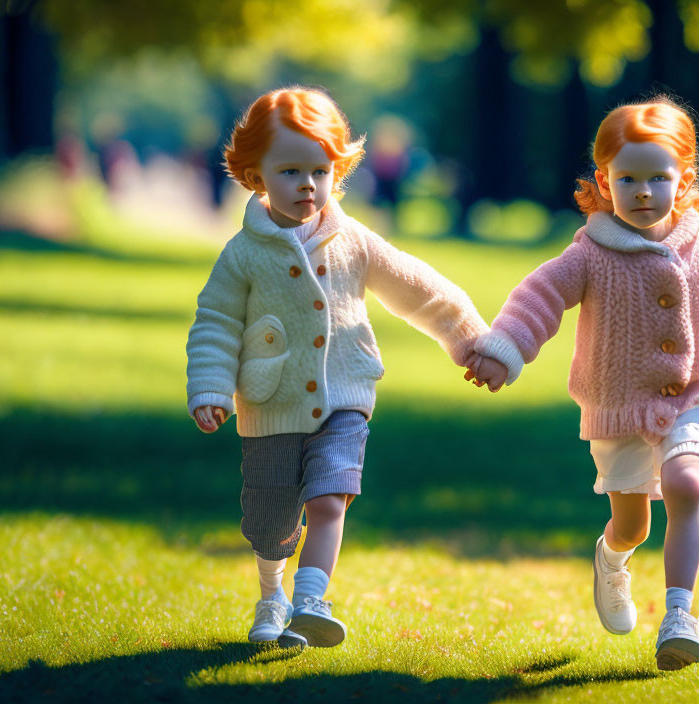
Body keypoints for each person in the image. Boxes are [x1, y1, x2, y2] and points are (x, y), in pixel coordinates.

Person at [464, 98, 699, 671]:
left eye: (658, 178)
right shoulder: (589, 252)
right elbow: (538, 298)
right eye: (628, 179)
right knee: (632, 522)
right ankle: (612, 557)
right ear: (604, 180)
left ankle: (678, 616)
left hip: (698, 391)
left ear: (683, 180)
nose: (643, 191)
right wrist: (505, 348)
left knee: (687, 486)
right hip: (620, 408)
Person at [186, 87, 488, 650]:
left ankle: (311, 599)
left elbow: (417, 289)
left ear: (337, 172)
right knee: (271, 522)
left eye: (321, 170)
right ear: (256, 177)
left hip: (345, 397)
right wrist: (210, 387)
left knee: (330, 497)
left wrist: (472, 338)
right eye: (290, 170)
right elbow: (216, 323)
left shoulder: (352, 240)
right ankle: (273, 593)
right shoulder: (243, 254)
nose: (308, 184)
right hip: (271, 405)